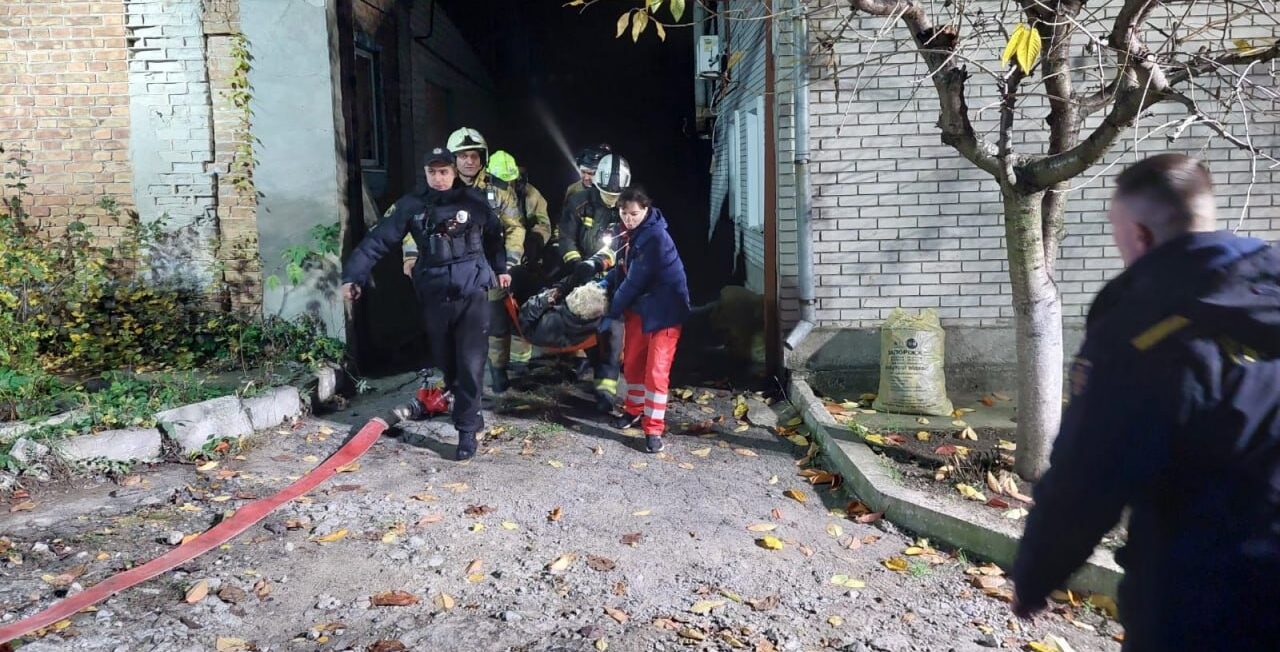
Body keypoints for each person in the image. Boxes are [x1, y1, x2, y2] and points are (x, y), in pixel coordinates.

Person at [1011, 154, 1280, 651]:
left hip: (1206, 602)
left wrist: (1035, 575)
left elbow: (1090, 475)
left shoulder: (1144, 333)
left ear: (1141, 234)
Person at [340, 146, 511, 461]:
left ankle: (466, 431)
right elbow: (377, 241)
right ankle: (468, 410)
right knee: (448, 363)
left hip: (471, 291)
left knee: (471, 362)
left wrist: (501, 269)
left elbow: (495, 236)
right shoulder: (412, 205)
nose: (439, 177)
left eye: (444, 171)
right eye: (433, 172)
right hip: (434, 294)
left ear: (454, 171)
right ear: (426, 173)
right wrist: (353, 276)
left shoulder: (473, 202)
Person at [429, 128, 526, 395]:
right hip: (453, 270)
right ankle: (456, 377)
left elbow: (515, 226)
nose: (469, 161)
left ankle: (498, 370)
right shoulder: (439, 187)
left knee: (496, 322)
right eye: (462, 156)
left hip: (489, 268)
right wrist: (411, 256)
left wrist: (510, 260)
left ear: (482, 157)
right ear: (453, 159)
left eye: (474, 155)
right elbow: (417, 224)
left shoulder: (499, 189)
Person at [601, 186, 691, 454]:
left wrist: (612, 312)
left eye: (634, 213)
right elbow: (621, 270)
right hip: (641, 309)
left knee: (656, 371)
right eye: (624, 213)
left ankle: (653, 429)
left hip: (665, 311)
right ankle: (633, 411)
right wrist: (605, 281)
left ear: (646, 210)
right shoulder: (629, 233)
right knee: (632, 364)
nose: (629, 218)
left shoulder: (655, 237)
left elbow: (634, 281)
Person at [561, 154, 631, 409]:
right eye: (607, 194)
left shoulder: (627, 208)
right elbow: (566, 237)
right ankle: (591, 366)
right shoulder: (579, 203)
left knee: (613, 332)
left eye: (617, 195)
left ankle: (606, 389)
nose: (612, 200)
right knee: (586, 329)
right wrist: (576, 264)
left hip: (616, 279)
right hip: (583, 278)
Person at [486, 150, 552, 377]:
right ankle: (497, 367)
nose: (507, 184)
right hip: (494, 262)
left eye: (509, 180)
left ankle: (520, 362)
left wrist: (535, 241)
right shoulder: (487, 193)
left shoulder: (530, 195)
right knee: (496, 316)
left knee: (521, 310)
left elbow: (543, 223)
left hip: (523, 261)